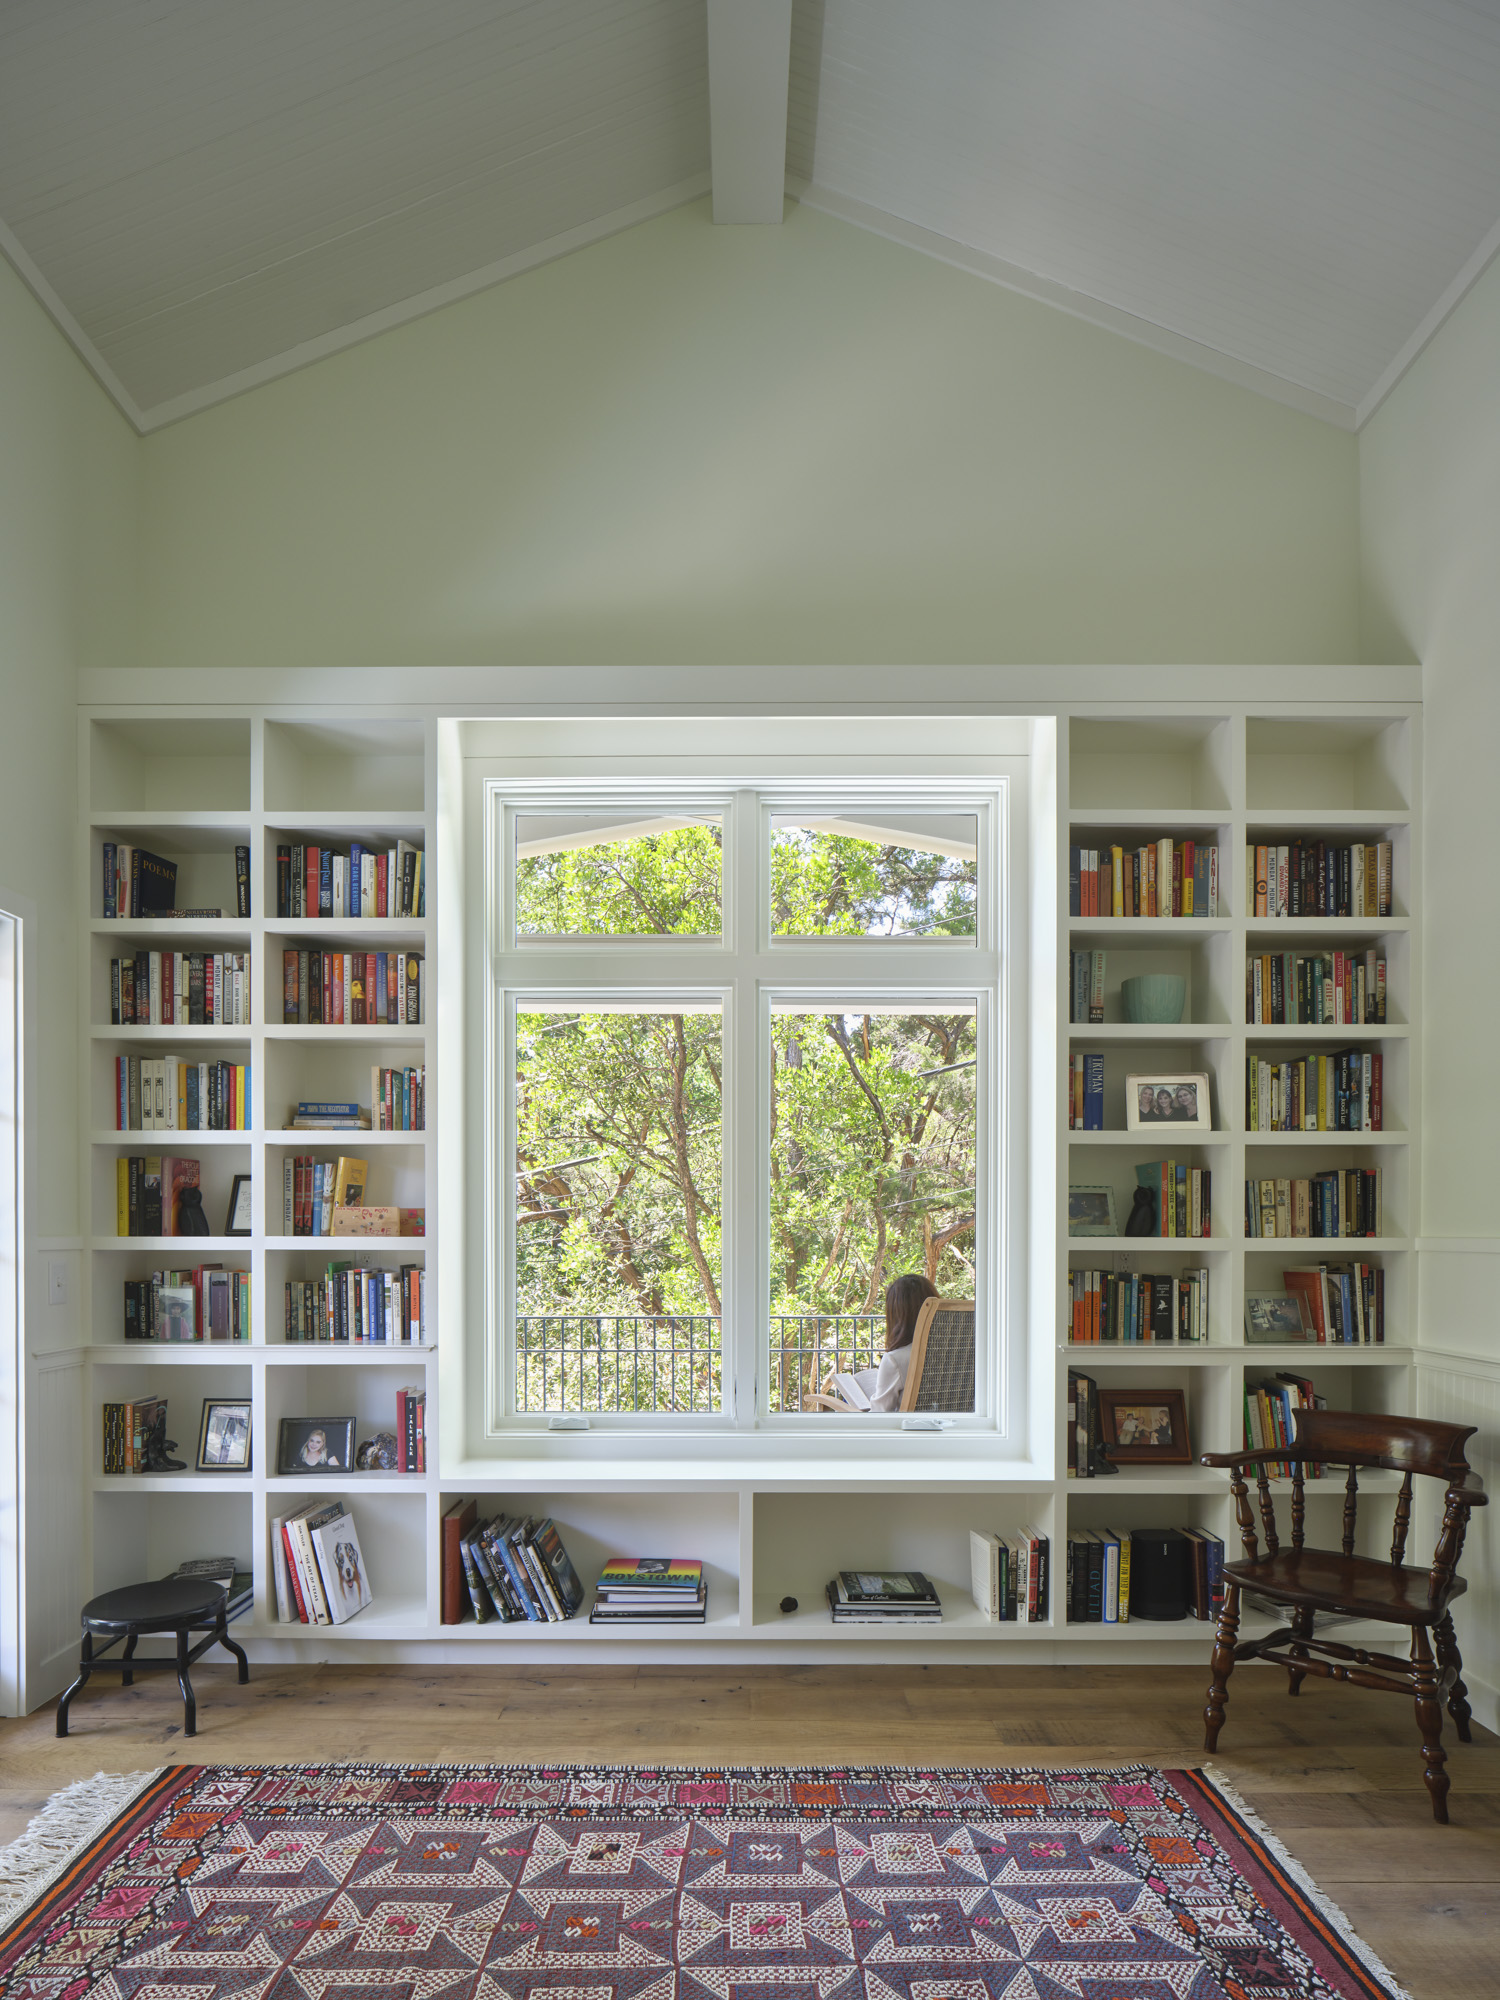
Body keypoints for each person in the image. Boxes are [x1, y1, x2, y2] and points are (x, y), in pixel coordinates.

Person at [824, 1273, 937, 1413]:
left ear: (896, 1313)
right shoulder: (957, 1352)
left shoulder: (897, 1359)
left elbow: (879, 1415)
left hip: (906, 1431)